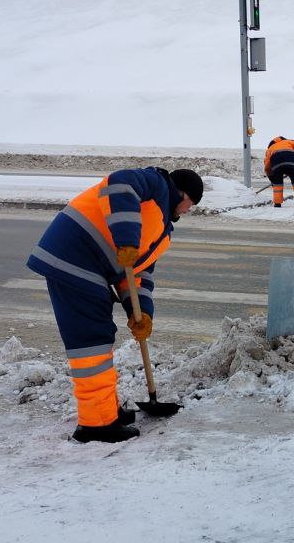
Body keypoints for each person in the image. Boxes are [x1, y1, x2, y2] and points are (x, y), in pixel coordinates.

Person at [26, 166, 204, 444]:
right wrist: (127, 239)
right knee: (91, 341)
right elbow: (119, 184)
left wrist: (141, 312)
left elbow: (138, 274)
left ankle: (105, 408)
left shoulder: (162, 230)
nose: (189, 210)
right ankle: (96, 424)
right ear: (182, 193)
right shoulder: (156, 184)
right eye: (191, 203)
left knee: (99, 337)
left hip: (88, 266)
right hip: (74, 256)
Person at [264, 136, 294, 208]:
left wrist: (272, 179)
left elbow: (267, 166)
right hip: (291, 163)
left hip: (277, 166)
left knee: (277, 184)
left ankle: (277, 203)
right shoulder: (288, 142)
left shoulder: (270, 149)